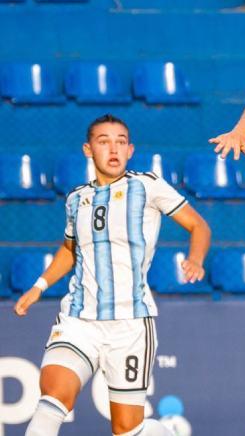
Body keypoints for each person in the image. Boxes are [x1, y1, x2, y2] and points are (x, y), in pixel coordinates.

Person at [14, 114, 211, 436]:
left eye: (120, 141)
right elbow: (69, 248)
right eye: (104, 141)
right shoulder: (76, 199)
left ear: (131, 150)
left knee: (127, 429)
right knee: (52, 397)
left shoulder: (147, 186)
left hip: (130, 325)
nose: (113, 148)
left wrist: (195, 258)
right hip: (79, 320)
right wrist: (39, 286)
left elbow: (198, 225)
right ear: (88, 149)